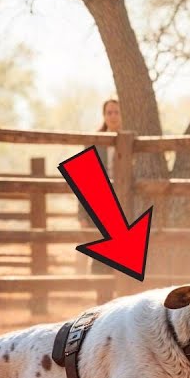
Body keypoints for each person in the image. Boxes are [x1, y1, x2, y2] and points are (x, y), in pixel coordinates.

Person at [79, 99, 122, 275]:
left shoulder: (130, 140)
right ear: (104, 116)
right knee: (100, 255)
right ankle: (102, 296)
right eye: (109, 113)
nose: (112, 116)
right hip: (100, 206)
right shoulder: (94, 142)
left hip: (124, 205)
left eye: (116, 112)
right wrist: (82, 214)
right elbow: (83, 180)